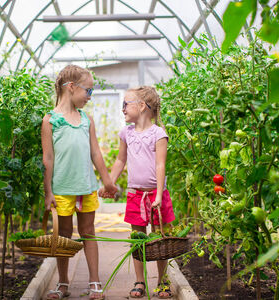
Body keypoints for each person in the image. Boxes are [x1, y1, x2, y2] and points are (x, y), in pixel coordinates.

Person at [41, 64, 118, 300]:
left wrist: (107, 182)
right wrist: (48, 192)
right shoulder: (51, 120)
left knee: (88, 233)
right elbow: (48, 158)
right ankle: (63, 283)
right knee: (63, 236)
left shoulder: (86, 120)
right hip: (62, 189)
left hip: (86, 187)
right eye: (88, 91)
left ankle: (94, 282)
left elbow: (96, 154)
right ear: (71, 87)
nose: (89, 96)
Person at [99, 86, 175, 299]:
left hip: (156, 195)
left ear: (142, 106)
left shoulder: (158, 133)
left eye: (126, 104)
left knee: (160, 240)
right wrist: (109, 184)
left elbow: (160, 166)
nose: (123, 109)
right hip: (135, 195)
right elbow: (120, 160)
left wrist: (159, 195)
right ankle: (140, 281)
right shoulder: (126, 133)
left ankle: (162, 281)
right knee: (137, 239)